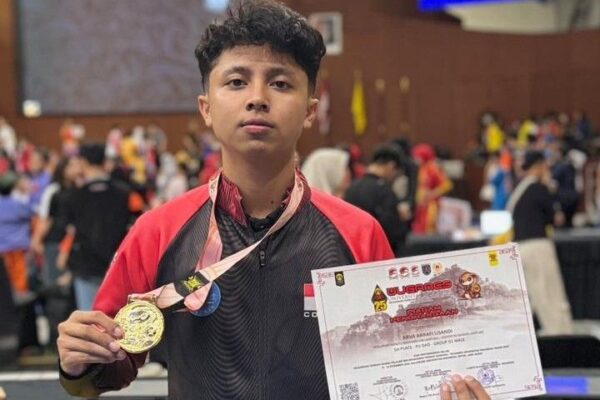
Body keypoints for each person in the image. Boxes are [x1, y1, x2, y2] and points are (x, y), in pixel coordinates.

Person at [57, 2, 490, 399]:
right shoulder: (159, 230)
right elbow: (106, 368)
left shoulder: (359, 233)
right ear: (206, 108)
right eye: (236, 81)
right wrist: (79, 361)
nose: (258, 98)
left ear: (310, 110)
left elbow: (394, 366)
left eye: (281, 83)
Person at [507, 150, 573, 335]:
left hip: (520, 248)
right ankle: (560, 338)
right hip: (538, 247)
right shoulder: (539, 188)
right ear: (540, 166)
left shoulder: (519, 190)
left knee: (533, 297)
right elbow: (556, 218)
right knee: (550, 296)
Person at [344, 144, 408, 253]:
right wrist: (401, 219)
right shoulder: (385, 191)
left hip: (352, 250)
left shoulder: (351, 187)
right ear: (391, 166)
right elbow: (393, 232)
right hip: (376, 253)